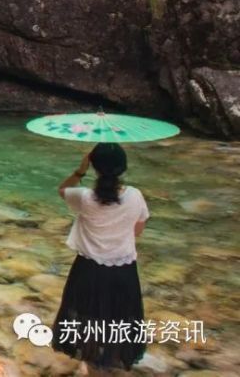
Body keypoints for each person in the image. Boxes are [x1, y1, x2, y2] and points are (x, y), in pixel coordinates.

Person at [52, 142, 149, 375]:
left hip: (88, 270)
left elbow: (62, 190)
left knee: (87, 318)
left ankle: (92, 364)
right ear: (123, 168)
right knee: (119, 318)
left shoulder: (84, 197)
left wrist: (80, 170)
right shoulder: (135, 196)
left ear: (94, 167)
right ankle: (111, 361)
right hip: (123, 270)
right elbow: (138, 230)